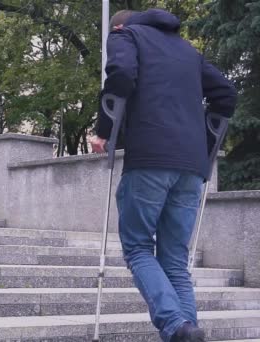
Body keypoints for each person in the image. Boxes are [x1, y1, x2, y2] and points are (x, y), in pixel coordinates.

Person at [90, 8, 237, 342]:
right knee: (174, 260)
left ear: (121, 25)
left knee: (139, 249)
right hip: (192, 165)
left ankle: (174, 325)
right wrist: (206, 141)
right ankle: (187, 332)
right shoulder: (188, 51)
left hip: (150, 157)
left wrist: (103, 131)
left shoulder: (124, 35)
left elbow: (122, 74)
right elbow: (226, 94)